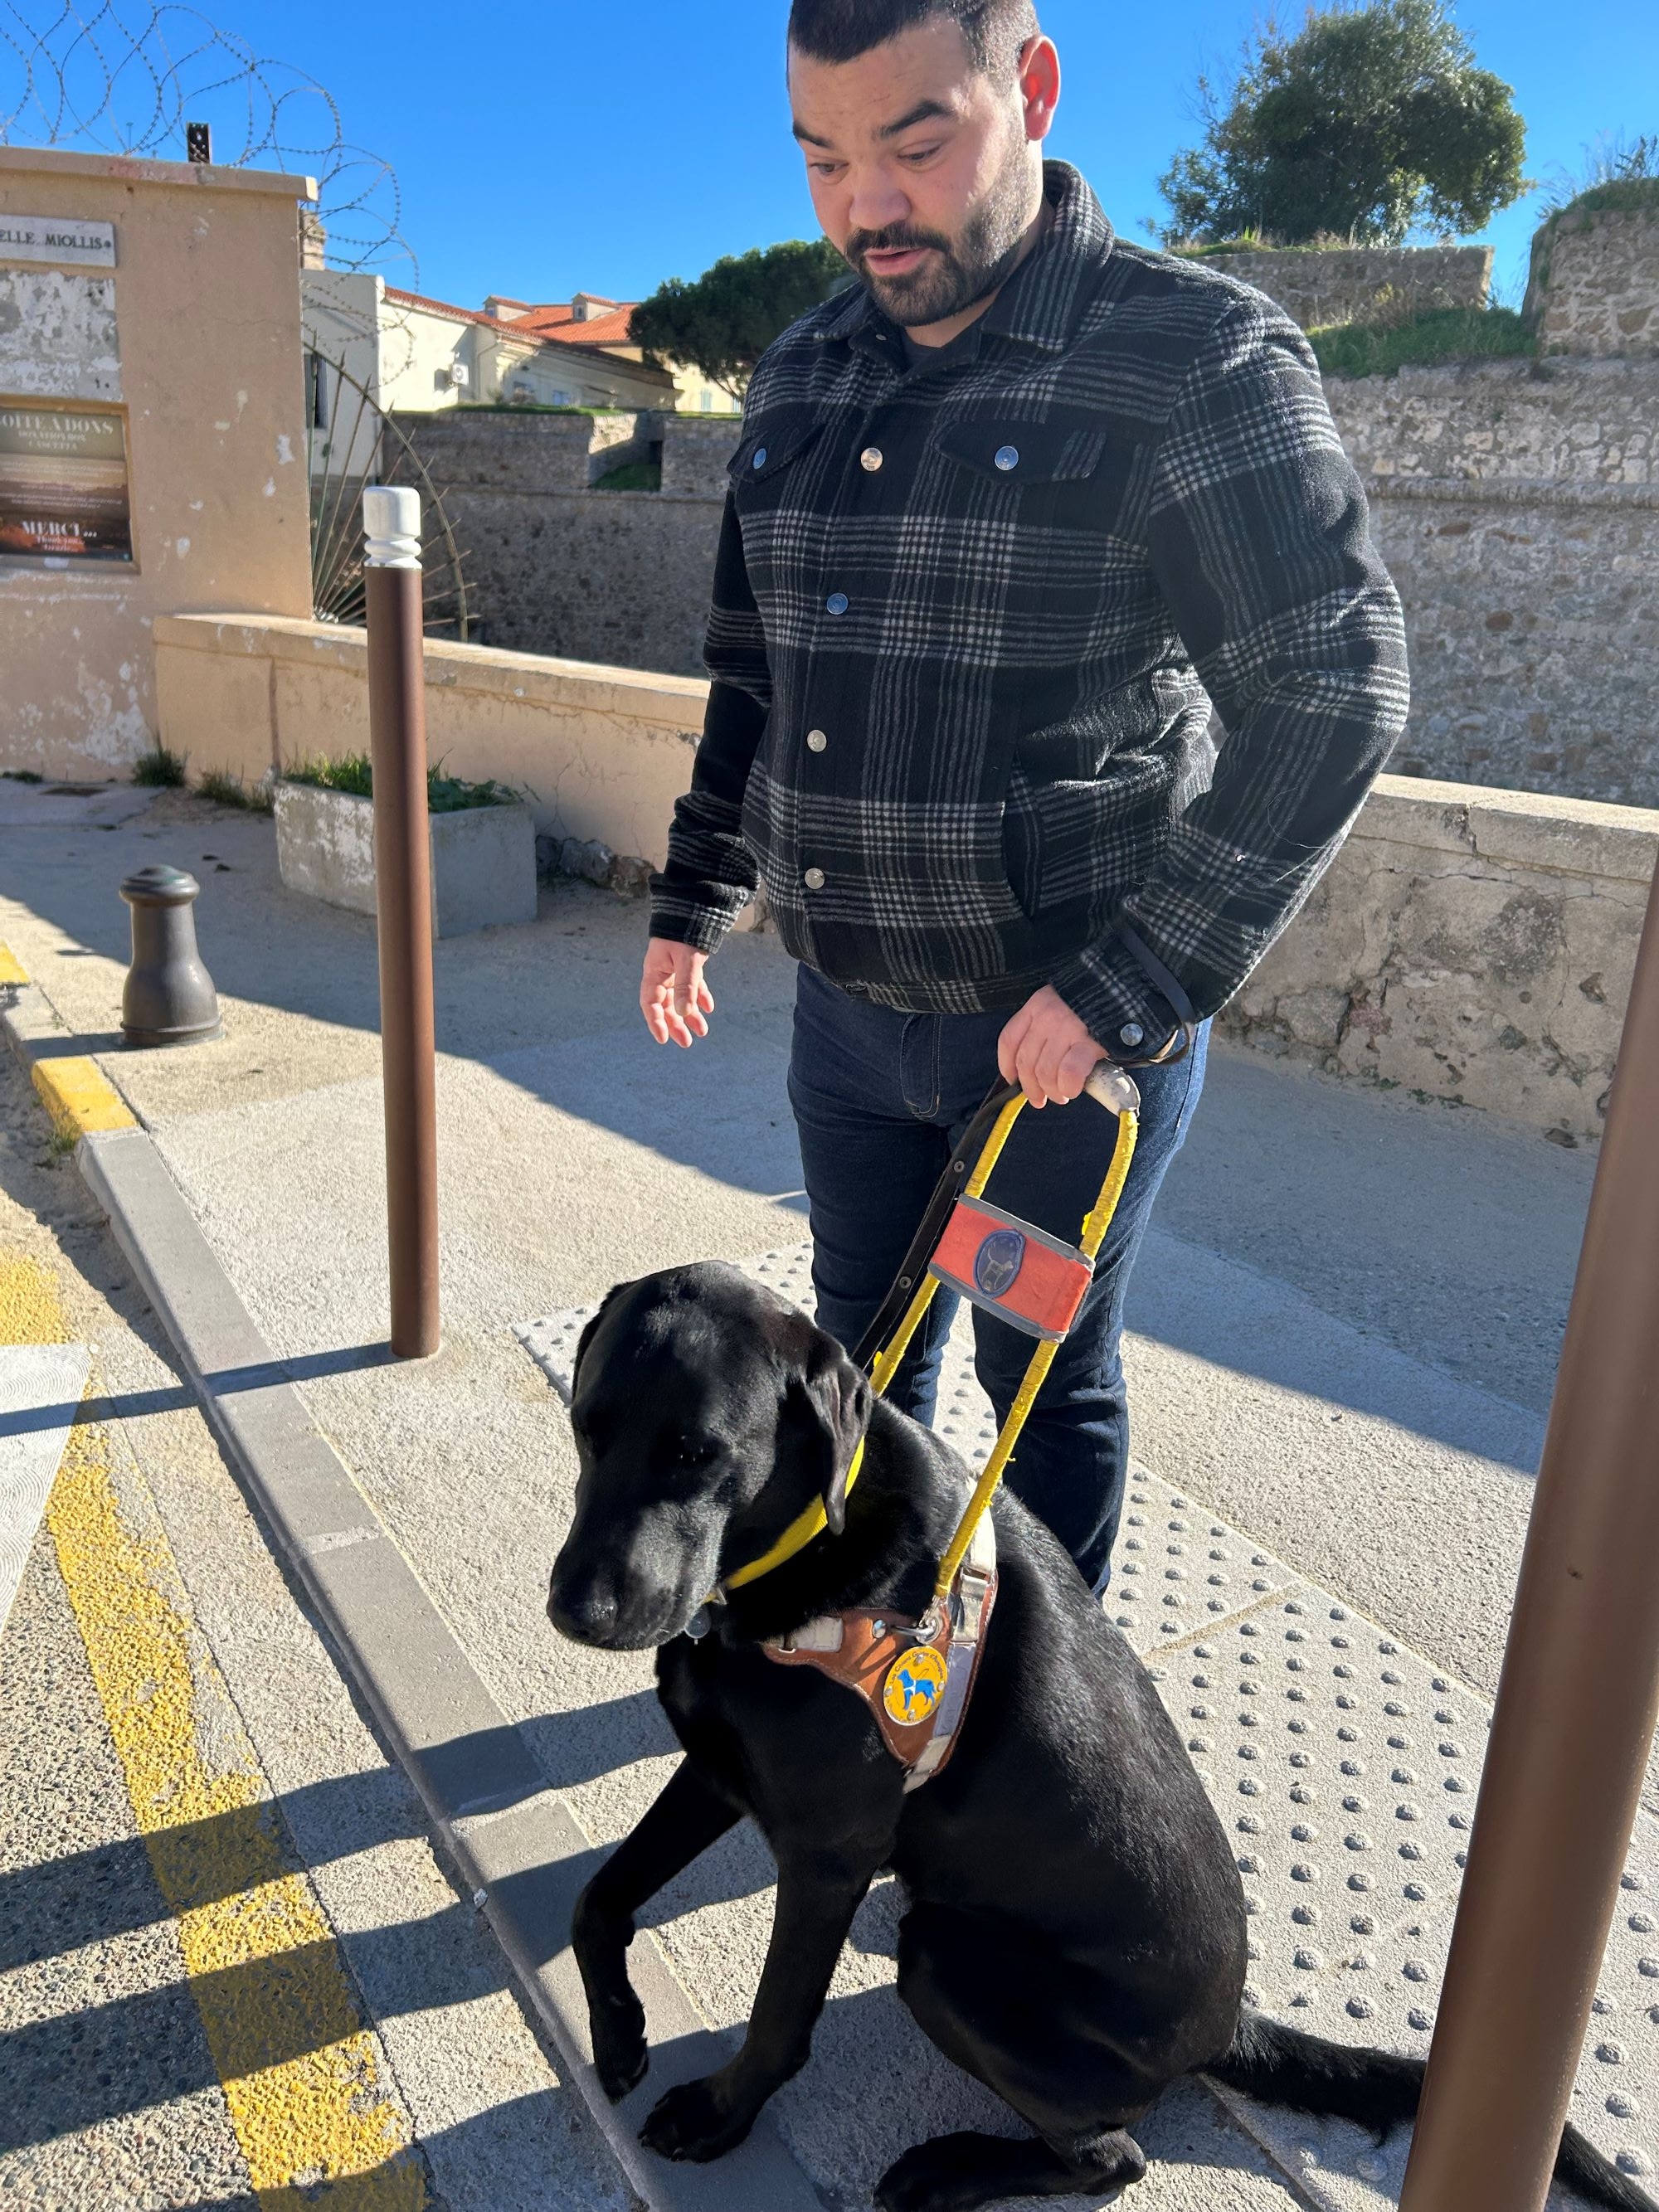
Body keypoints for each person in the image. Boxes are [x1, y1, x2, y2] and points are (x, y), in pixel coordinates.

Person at [639, 0, 1408, 1594]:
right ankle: (872, 1650)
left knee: (1041, 1390)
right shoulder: (795, 373)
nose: (867, 207)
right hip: (845, 1024)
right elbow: (753, 675)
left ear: (1032, 87)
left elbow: (1334, 688)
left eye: (917, 143)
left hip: (1054, 1055)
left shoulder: (1192, 356)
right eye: (824, 157)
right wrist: (691, 904)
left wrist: (1129, 988)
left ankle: (1045, 1726)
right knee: (855, 1364)